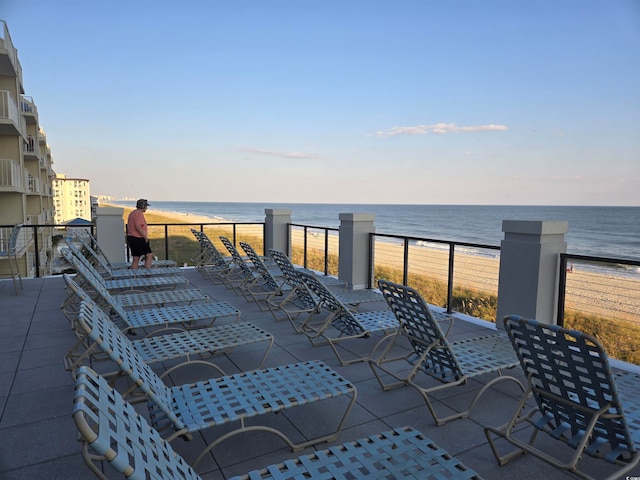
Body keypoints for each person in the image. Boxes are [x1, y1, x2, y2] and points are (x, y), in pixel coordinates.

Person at [127, 199, 153, 269]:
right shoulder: (139, 214)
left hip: (131, 237)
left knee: (136, 258)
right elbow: (138, 227)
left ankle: (134, 275)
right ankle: (147, 274)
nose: (146, 208)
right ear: (143, 206)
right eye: (146, 206)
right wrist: (145, 237)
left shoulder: (132, 213)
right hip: (138, 238)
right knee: (149, 255)